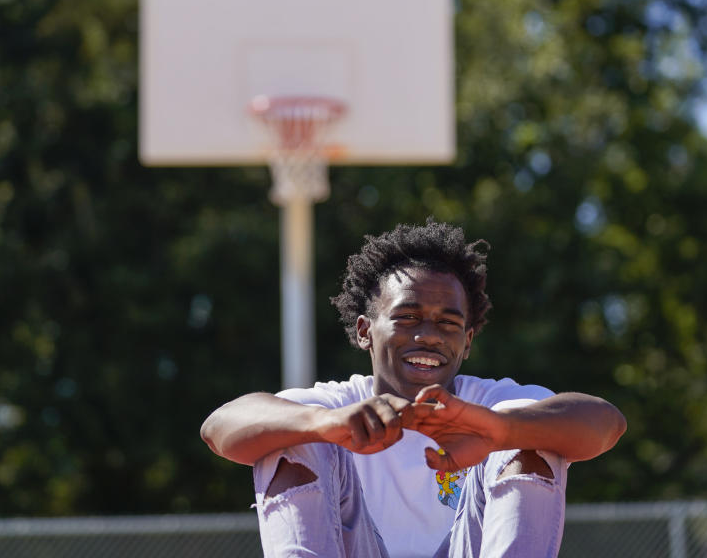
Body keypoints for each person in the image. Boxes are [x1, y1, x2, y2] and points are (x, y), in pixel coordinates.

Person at [201, 220, 626, 557]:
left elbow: (606, 424)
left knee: (530, 433)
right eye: (407, 318)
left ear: (468, 341)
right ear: (365, 331)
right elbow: (219, 428)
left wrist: (501, 430)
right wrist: (324, 424)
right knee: (290, 436)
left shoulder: (488, 402)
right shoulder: (340, 404)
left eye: (448, 323)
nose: (428, 336)